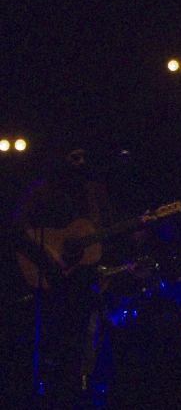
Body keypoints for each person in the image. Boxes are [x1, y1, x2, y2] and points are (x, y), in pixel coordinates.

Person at [12, 141, 112, 408]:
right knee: (50, 336)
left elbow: (98, 231)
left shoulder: (92, 191)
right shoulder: (43, 190)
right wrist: (48, 250)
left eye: (83, 156)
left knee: (78, 337)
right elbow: (18, 226)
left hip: (80, 278)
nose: (80, 162)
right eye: (74, 156)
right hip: (50, 276)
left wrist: (137, 225)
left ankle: (75, 391)